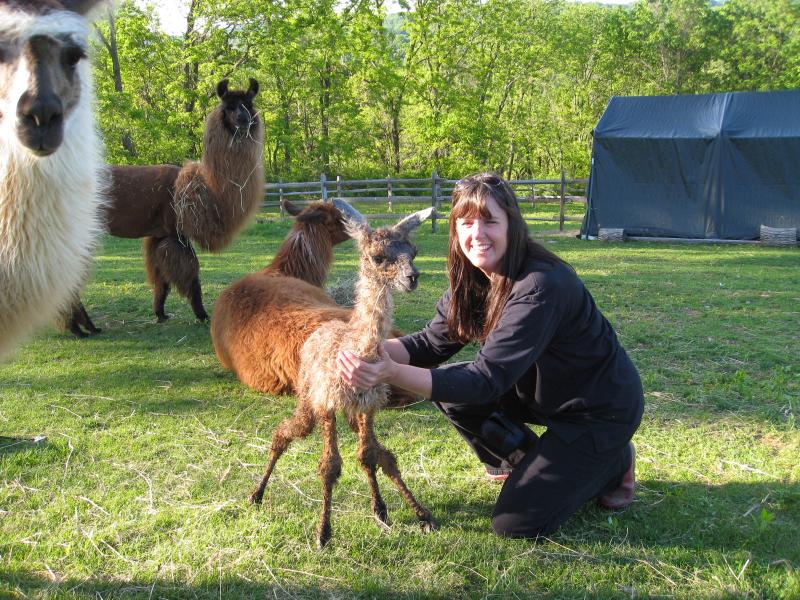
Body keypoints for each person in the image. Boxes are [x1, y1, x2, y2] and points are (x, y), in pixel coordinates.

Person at [337, 172, 644, 538]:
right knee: (453, 394)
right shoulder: (473, 277)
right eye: (466, 223)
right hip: (536, 389)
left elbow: (485, 381)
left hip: (597, 411)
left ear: (512, 225)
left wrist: (388, 372)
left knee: (515, 523)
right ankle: (530, 463)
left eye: (490, 221)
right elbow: (432, 344)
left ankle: (612, 464)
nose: (477, 234)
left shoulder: (541, 285)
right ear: (455, 229)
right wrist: (368, 350)